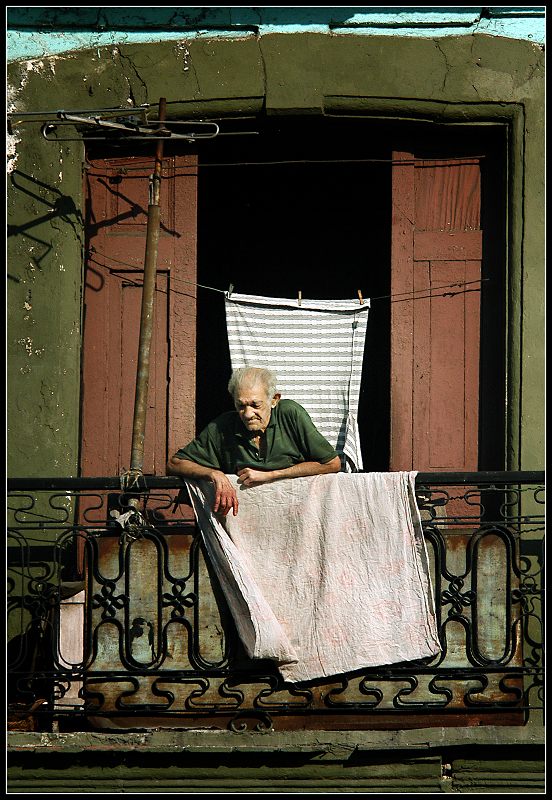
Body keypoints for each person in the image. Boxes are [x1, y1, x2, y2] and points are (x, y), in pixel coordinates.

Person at [167, 367, 341, 516]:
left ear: (274, 400)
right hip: (247, 521)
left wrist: (271, 475)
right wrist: (214, 474)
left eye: (255, 405)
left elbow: (332, 464)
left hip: (296, 512)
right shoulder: (223, 426)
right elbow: (175, 463)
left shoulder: (290, 414)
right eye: (241, 406)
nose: (248, 414)